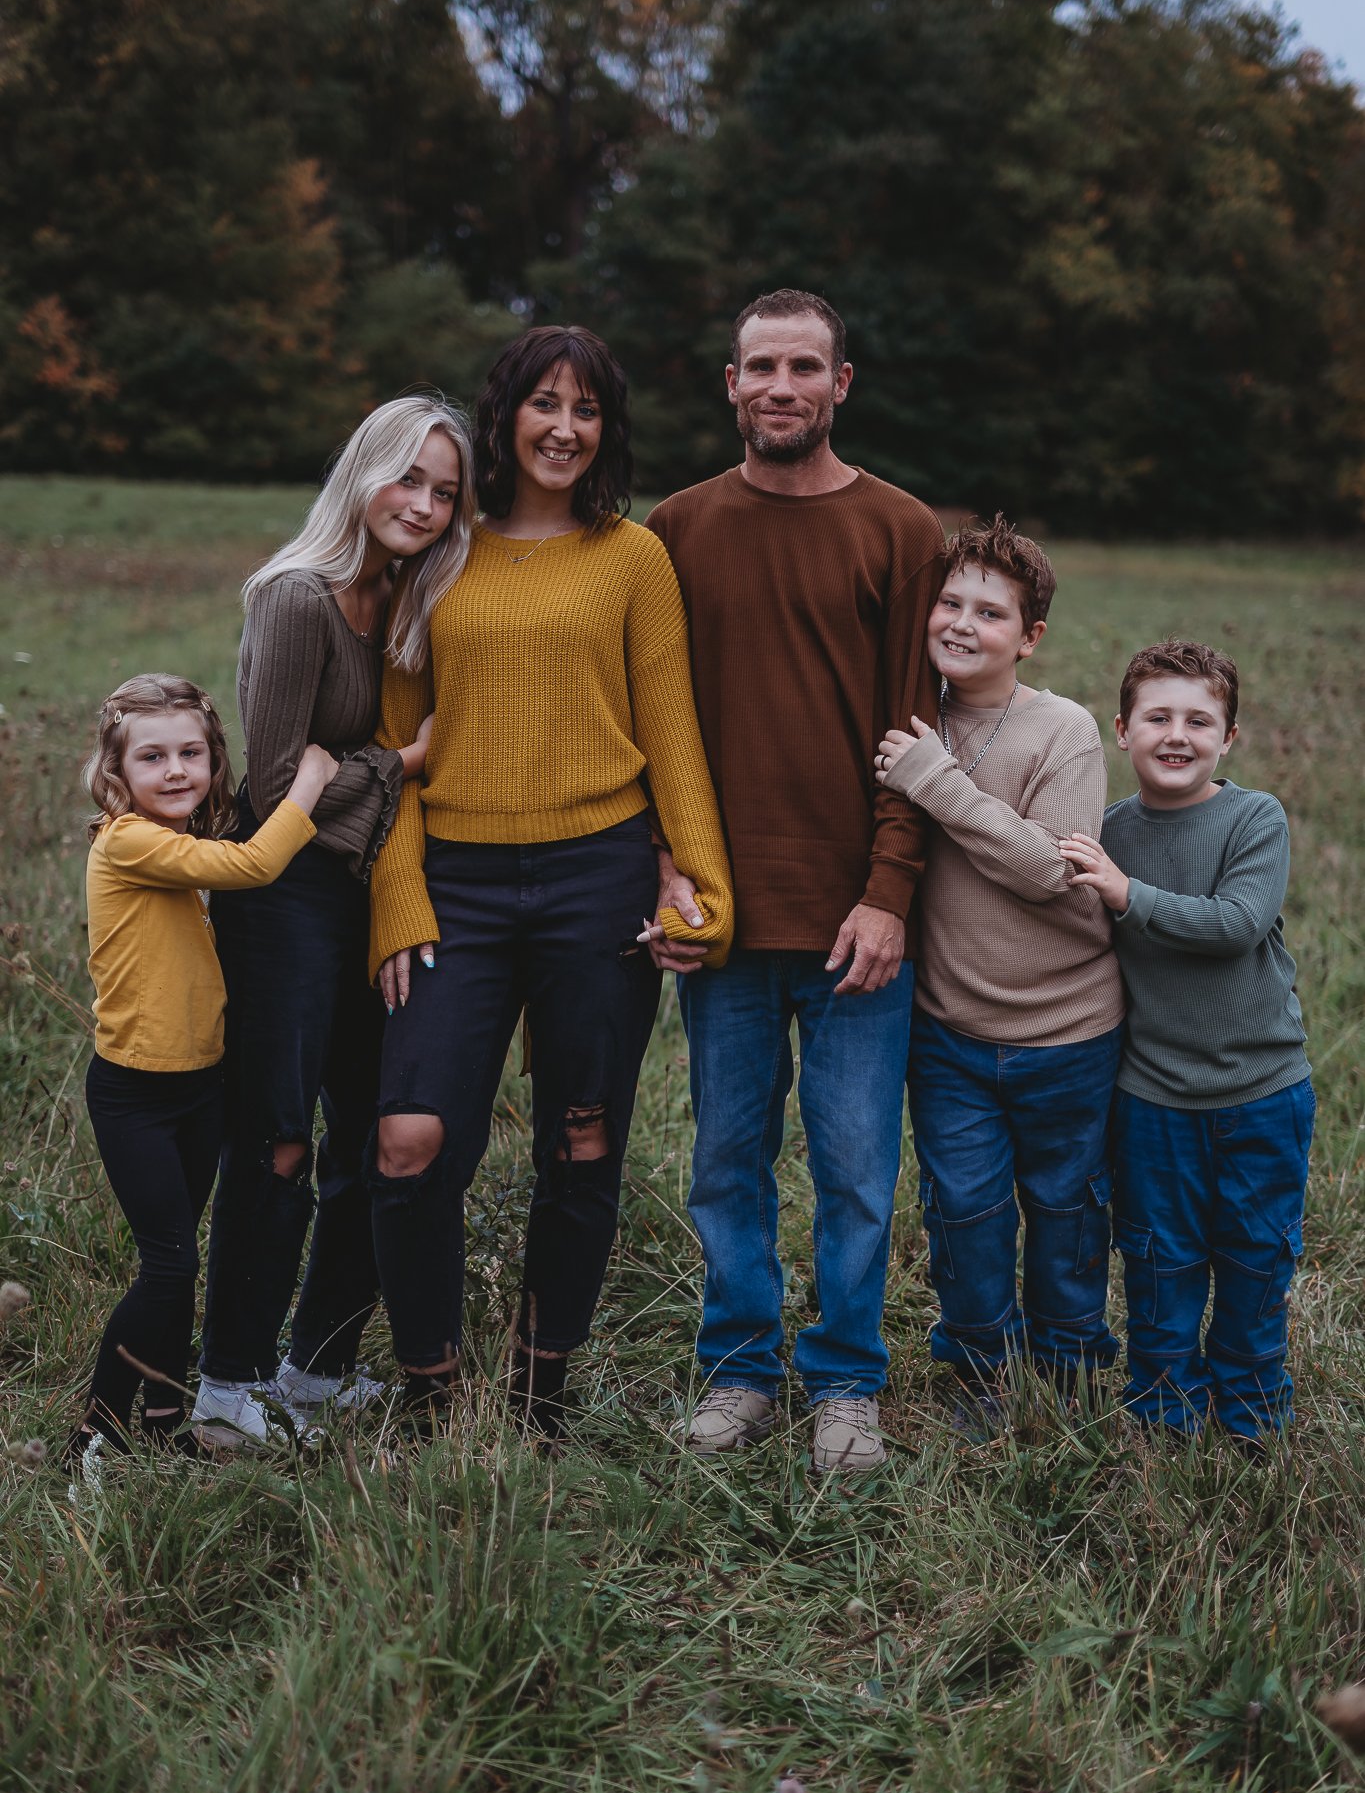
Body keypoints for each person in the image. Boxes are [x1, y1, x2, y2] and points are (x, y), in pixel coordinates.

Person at [368, 326, 733, 1441]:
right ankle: (430, 1388)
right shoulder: (438, 551)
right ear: (505, 416)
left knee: (582, 1139)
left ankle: (539, 1392)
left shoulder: (632, 558)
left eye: (587, 409)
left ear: (605, 429)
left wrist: (703, 891)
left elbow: (671, 732)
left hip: (599, 878)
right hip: (456, 887)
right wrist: (397, 896)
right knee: (410, 1136)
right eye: (544, 404)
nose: (564, 427)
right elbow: (392, 744)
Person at [644, 288, 944, 1472]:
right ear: (730, 384)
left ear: (841, 383)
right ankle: (739, 1371)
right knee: (726, 1156)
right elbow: (645, 720)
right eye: (759, 365)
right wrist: (659, 868)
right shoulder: (674, 528)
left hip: (855, 915)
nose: (780, 385)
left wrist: (890, 891)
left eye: (803, 366)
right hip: (717, 912)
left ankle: (847, 1385)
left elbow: (919, 732)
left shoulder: (902, 530)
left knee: (858, 1166)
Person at [191, 396, 476, 1449]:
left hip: (364, 890)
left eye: (445, 491)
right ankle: (226, 1380)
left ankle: (314, 1364)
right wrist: (400, 763)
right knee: (275, 1139)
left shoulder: (401, 601)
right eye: (408, 478)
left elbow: (327, 778)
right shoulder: (296, 597)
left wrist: (354, 778)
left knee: (369, 1127)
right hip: (282, 900)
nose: (425, 504)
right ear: (363, 472)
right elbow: (272, 788)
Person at [874, 515, 1124, 1431]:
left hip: (1068, 1032)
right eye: (950, 601)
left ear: (1029, 636)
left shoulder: (1060, 730)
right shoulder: (910, 717)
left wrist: (935, 783)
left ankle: (1068, 1366)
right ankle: (981, 1371)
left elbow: (1045, 867)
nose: (962, 622)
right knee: (965, 1216)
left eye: (990, 611)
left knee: (1064, 1210)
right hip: (949, 1032)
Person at [71, 674, 336, 1481]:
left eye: (192, 752)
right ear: (117, 773)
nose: (176, 769)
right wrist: (314, 780)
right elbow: (256, 864)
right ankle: (98, 1432)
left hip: (197, 1087)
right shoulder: (127, 841)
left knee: (178, 1255)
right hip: (136, 1096)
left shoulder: (175, 842)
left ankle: (161, 1419)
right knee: (169, 1265)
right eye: (152, 757)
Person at [1061, 641, 1313, 1449]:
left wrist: (1124, 892)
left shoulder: (1252, 818)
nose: (1177, 735)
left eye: (1199, 720)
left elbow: (1234, 926)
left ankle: (1249, 1412)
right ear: (1121, 731)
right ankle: (1163, 1413)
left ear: (1228, 737)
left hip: (1261, 1092)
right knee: (1158, 1261)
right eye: (1157, 717)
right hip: (1154, 1099)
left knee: (1253, 1259)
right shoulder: (1107, 835)